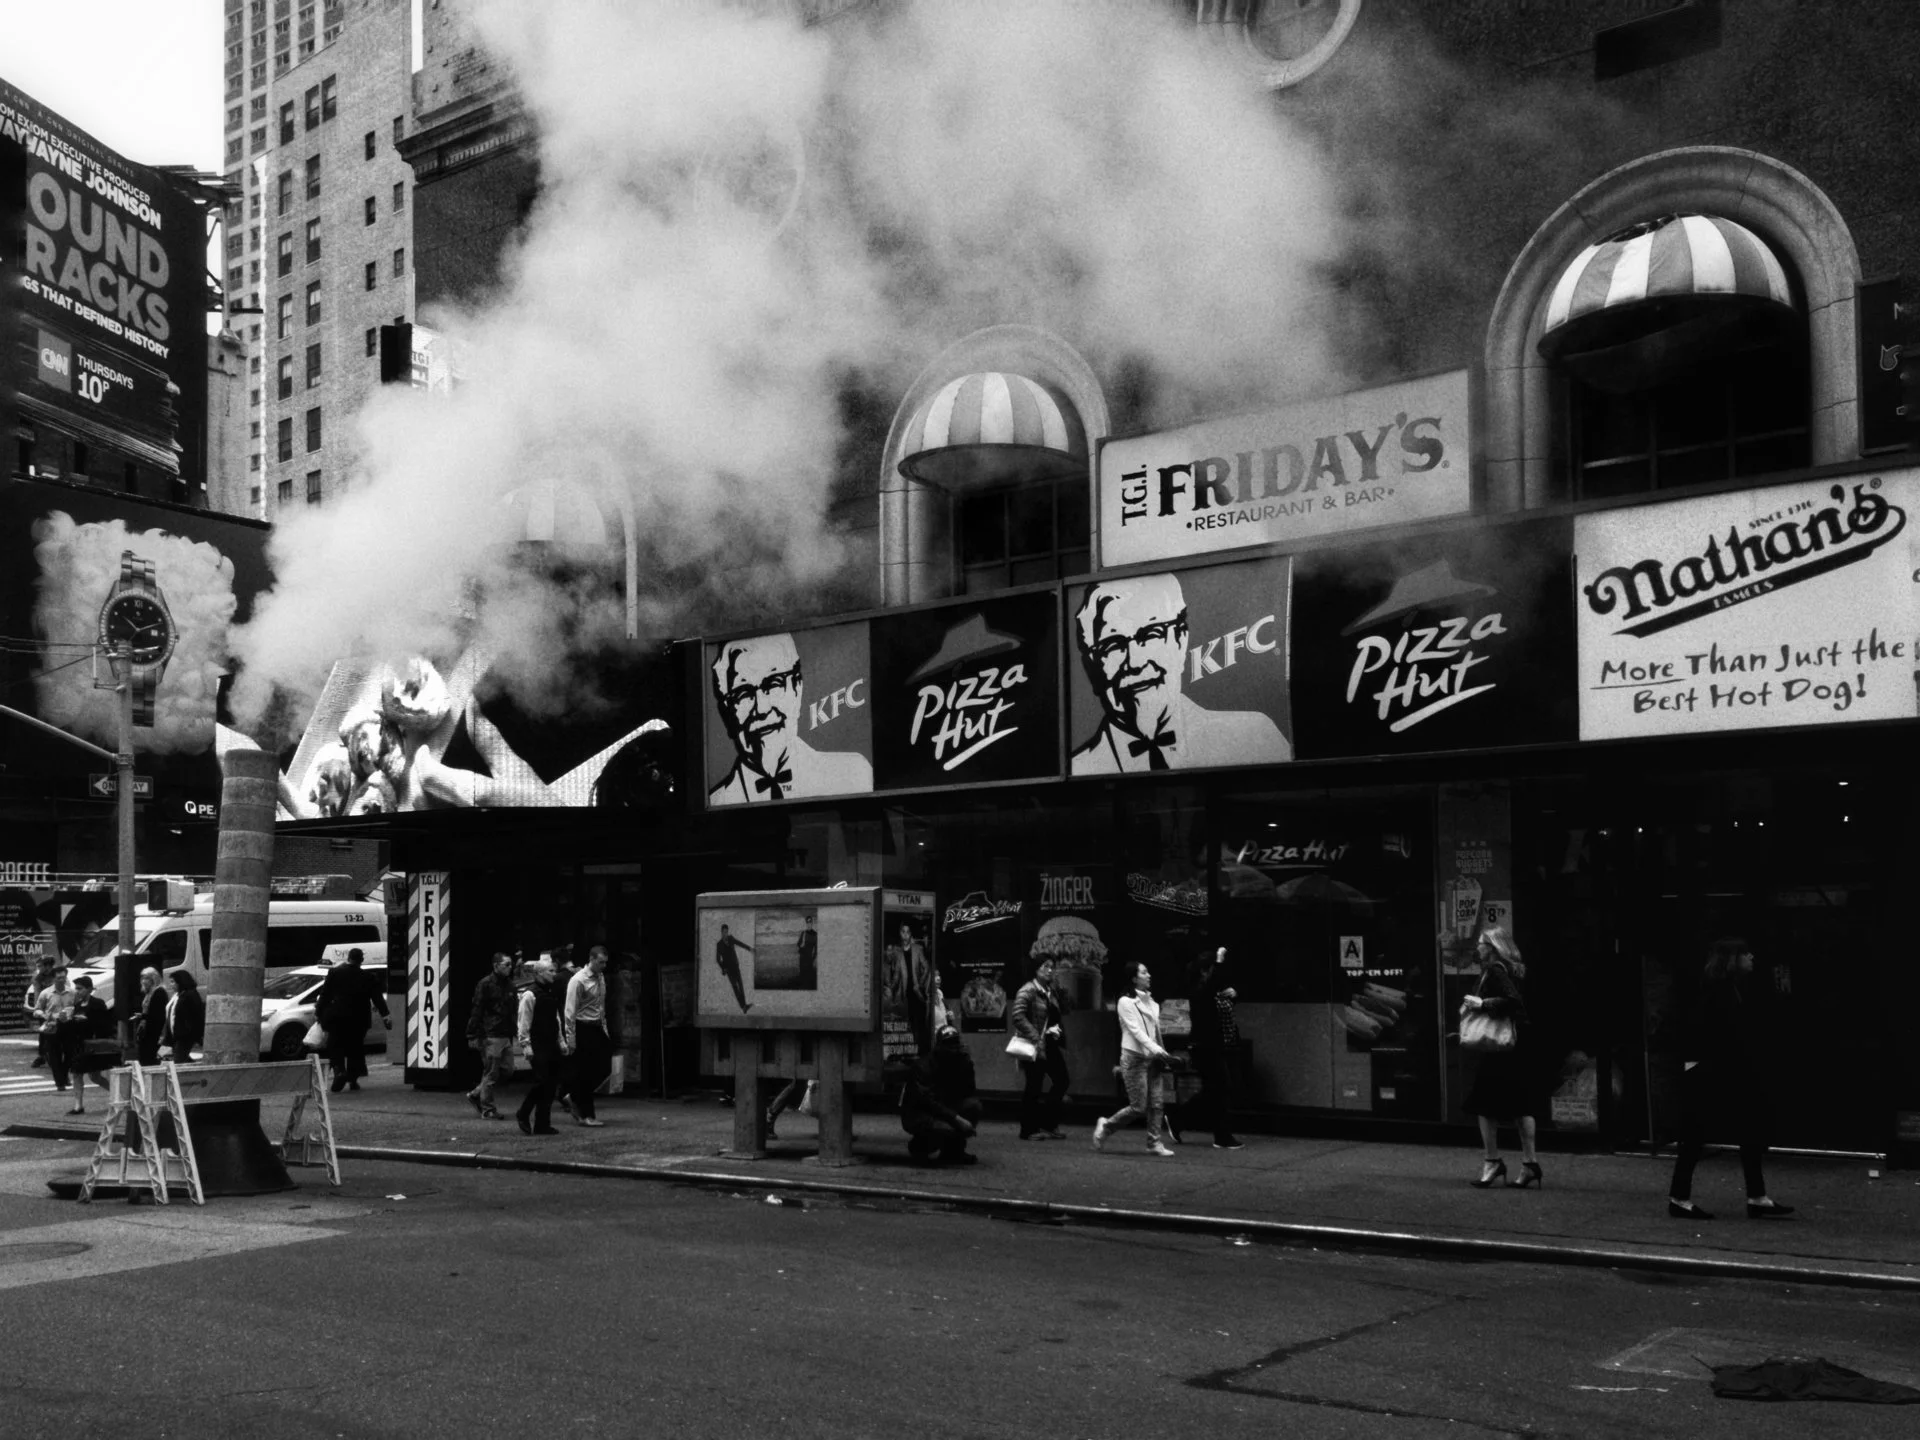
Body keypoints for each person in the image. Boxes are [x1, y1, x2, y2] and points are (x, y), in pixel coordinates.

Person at [1070, 573, 1291, 775]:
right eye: (1112, 645)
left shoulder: (1255, 736)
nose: (1135, 662)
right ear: (1091, 666)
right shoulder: (1078, 768)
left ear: (1180, 642)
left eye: (1150, 635)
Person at [1667, 937, 1793, 1220]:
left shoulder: (1730, 988)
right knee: (1699, 1135)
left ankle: (1756, 1196)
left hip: (1723, 1069)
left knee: (1742, 1130)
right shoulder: (1719, 990)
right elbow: (1713, 1032)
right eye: (1746, 953)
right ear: (1732, 958)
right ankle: (1680, 1197)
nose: (1752, 957)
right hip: (1716, 1071)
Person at [707, 633, 872, 805]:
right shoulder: (716, 802)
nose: (762, 709)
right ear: (726, 713)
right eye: (743, 694)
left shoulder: (854, 775)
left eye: (773, 684)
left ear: (797, 690)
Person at [1461, 925, 1541, 1189]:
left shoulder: (1495, 970)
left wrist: (1482, 1004)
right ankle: (1529, 1164)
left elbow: (1512, 1001)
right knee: (1521, 1104)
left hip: (1500, 1048)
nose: (1478, 948)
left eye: (1482, 943)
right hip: (1518, 1044)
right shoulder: (1517, 969)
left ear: (1493, 947)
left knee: (1484, 1103)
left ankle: (1492, 1160)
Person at [1093, 962, 1175, 1157]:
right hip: (1134, 1058)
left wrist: (1163, 1054)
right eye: (1144, 972)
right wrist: (1158, 1050)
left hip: (1153, 1058)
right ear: (1134, 978)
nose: (1149, 975)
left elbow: (1155, 1033)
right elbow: (1136, 1031)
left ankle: (1154, 1143)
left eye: (1148, 971)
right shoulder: (1125, 1002)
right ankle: (1106, 1126)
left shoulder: (1153, 1004)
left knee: (1157, 1104)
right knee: (1138, 1106)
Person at [1183, 947, 1244, 1150]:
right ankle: (1222, 1136)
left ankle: (1177, 1119)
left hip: (1223, 1045)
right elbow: (1209, 991)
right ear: (1204, 971)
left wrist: (1233, 994)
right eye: (1211, 970)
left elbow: (1223, 1008)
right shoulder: (1199, 991)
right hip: (1206, 1047)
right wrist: (1218, 961)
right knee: (1220, 1088)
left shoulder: (1213, 990)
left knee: (1214, 1090)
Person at [901, 1025, 982, 1165]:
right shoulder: (923, 1066)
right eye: (949, 1045)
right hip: (919, 1113)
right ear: (939, 1047)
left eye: (956, 1044)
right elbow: (927, 1102)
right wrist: (957, 1119)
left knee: (973, 1106)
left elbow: (968, 1092)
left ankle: (954, 1152)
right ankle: (919, 1147)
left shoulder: (961, 1062)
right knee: (947, 1129)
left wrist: (967, 1068)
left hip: (945, 1106)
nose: (954, 1049)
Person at [1010, 954, 1069, 1140]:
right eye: (1045, 966)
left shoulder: (1051, 990)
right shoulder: (1027, 991)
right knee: (1033, 1087)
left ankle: (1048, 1123)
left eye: (1052, 966)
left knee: (1062, 1080)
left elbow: (1064, 1011)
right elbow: (1018, 1017)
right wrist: (1036, 1037)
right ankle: (1028, 1130)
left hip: (1050, 1045)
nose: (1050, 970)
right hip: (1034, 1044)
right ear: (1035, 969)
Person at [317, 948, 392, 1093]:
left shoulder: (335, 973)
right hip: (359, 1019)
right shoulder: (368, 977)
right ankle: (353, 1079)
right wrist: (385, 1016)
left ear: (349, 958)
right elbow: (377, 998)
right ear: (361, 960)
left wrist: (319, 1013)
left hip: (337, 1017)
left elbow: (325, 995)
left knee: (335, 1046)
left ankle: (339, 1071)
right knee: (355, 1048)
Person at [514, 957, 565, 1135]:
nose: (554, 974)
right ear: (539, 973)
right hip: (538, 1044)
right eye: (550, 971)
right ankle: (523, 1112)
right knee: (542, 1081)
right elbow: (523, 1022)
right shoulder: (530, 994)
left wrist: (561, 1041)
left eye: (554, 970)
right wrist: (525, 1045)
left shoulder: (550, 992)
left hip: (551, 1042)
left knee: (550, 1084)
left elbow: (556, 1018)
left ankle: (543, 1123)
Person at [563, 946, 612, 1126]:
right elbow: (570, 1012)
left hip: (597, 1027)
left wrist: (604, 1029)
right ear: (591, 959)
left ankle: (574, 1096)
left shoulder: (600, 977)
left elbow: (601, 1006)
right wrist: (571, 1039)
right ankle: (587, 1115)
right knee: (585, 1072)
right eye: (600, 962)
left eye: (605, 962)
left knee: (604, 1068)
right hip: (583, 1028)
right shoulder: (578, 981)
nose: (603, 966)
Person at [465, 951, 518, 1120]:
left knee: (506, 1070)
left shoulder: (510, 985)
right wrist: (473, 1034)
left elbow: (513, 1010)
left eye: (511, 965)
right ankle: (487, 1108)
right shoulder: (486, 984)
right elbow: (477, 1009)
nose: (510, 968)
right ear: (496, 966)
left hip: (505, 1032)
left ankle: (477, 1094)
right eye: (506, 965)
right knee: (492, 1071)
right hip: (491, 1033)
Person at [61, 975, 114, 1115]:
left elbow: (105, 1025)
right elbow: (74, 1027)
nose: (78, 991)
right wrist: (68, 1021)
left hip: (93, 1045)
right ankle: (78, 1105)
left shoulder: (98, 1003)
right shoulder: (77, 1006)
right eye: (76, 989)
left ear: (89, 989)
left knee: (95, 1076)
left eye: (80, 988)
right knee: (77, 1073)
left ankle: (116, 1095)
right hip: (80, 1045)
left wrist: (87, 1020)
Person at [31, 965, 76, 1091]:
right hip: (52, 1026)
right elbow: (37, 1010)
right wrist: (44, 1015)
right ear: (53, 979)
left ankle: (64, 1075)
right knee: (54, 1055)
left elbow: (76, 1007)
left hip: (67, 1025)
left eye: (63, 977)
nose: (61, 980)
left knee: (69, 1053)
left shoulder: (72, 993)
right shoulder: (46, 993)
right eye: (58, 978)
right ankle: (60, 1082)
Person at [164, 969, 204, 1065]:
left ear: (181, 981)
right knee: (182, 1060)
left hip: (184, 1036)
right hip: (176, 1035)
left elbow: (197, 1015)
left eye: (173, 982)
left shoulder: (190, 995)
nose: (171, 985)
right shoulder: (178, 995)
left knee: (179, 1061)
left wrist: (191, 1032)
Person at [714, 923, 753, 1013]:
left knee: (741, 987)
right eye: (724, 932)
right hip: (729, 970)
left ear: (728, 932)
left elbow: (740, 943)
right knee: (736, 988)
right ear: (721, 932)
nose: (725, 934)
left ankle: (744, 1005)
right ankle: (743, 1006)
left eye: (726, 932)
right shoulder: (719, 944)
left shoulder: (731, 938)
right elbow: (717, 959)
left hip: (736, 967)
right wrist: (723, 968)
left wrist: (749, 948)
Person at [135, 967, 168, 1066]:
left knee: (149, 1060)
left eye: (147, 978)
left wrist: (143, 1016)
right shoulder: (148, 993)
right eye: (142, 978)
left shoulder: (159, 992)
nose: (144, 981)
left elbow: (158, 1014)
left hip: (154, 1033)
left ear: (153, 979)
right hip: (146, 1031)